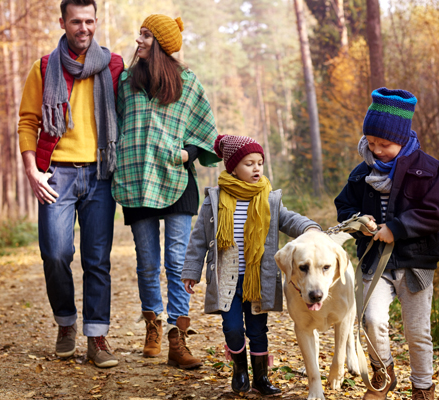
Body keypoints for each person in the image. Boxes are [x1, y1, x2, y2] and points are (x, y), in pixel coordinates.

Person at [17, 0, 124, 368]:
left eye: (89, 20)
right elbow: (28, 122)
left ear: (97, 21)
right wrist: (33, 170)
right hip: (56, 173)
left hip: (99, 173)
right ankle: (66, 324)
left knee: (97, 260)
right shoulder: (44, 66)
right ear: (62, 22)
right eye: (76, 21)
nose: (84, 28)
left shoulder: (113, 66)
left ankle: (97, 337)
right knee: (56, 253)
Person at [110, 14, 220, 369]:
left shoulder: (187, 82)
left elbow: (205, 128)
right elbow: (117, 123)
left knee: (176, 261)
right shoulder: (126, 81)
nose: (138, 40)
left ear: (159, 43)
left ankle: (177, 336)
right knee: (147, 263)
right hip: (137, 179)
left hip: (176, 180)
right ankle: (152, 324)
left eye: (145, 35)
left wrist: (186, 152)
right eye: (139, 34)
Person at [181, 134, 321, 396]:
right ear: (232, 167)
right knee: (233, 328)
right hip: (226, 278)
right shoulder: (215, 199)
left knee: (258, 330)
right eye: (249, 163)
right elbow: (199, 237)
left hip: (259, 278)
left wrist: (310, 227)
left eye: (260, 162)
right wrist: (191, 270)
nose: (257, 168)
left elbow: (289, 220)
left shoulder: (268, 198)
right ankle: (240, 370)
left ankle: (260, 378)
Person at [334, 88, 439, 400]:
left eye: (384, 144)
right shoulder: (361, 173)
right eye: (371, 142)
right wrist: (361, 222)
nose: (377, 149)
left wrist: (396, 228)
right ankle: (382, 375)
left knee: (417, 332)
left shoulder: (427, 168)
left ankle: (423, 388)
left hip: (416, 263)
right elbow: (344, 207)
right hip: (375, 262)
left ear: (402, 138)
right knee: (372, 319)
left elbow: (437, 213)